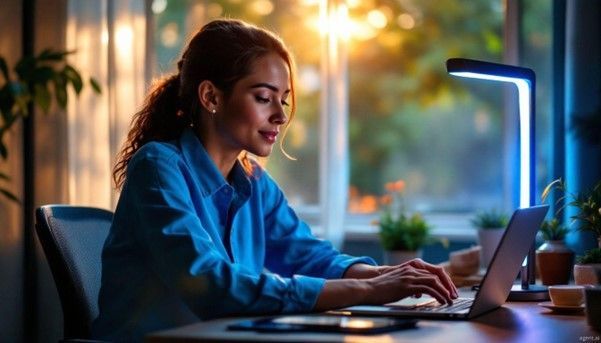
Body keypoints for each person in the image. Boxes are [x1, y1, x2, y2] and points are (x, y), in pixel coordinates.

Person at [92, 18, 458, 341]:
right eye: (264, 97)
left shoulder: (253, 181)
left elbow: (307, 255)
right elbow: (210, 284)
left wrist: (385, 274)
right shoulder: (158, 167)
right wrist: (365, 289)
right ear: (210, 96)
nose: (280, 116)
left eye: (283, 100)